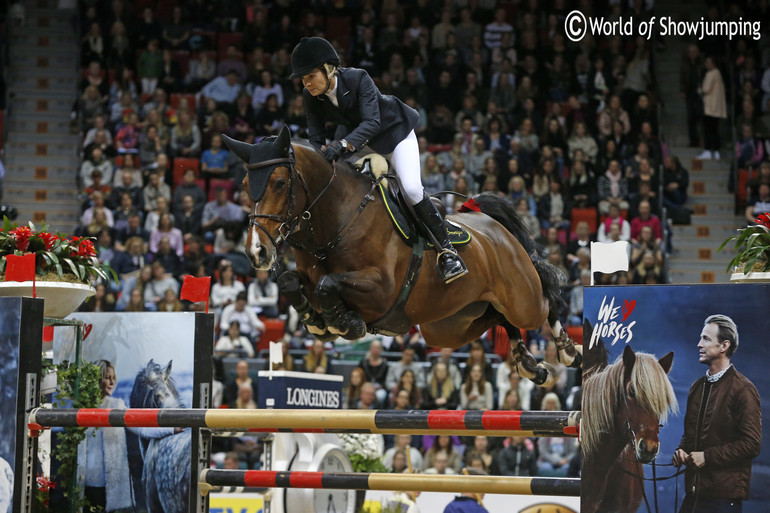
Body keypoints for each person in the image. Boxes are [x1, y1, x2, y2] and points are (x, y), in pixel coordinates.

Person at [291, 37, 466, 283]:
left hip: (394, 135)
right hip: (358, 143)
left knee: (412, 189)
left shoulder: (358, 78)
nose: (307, 83)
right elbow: (316, 137)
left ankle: (448, 252)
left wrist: (341, 145)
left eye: (310, 76)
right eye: (303, 79)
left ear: (328, 69)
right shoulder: (311, 96)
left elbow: (372, 122)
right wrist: (318, 158)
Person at [673, 314, 762, 513]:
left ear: (724, 346)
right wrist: (681, 451)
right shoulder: (697, 387)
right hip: (693, 497)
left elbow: (752, 444)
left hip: (722, 501)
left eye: (705, 339)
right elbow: (689, 435)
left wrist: (707, 457)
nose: (698, 344)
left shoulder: (743, 389)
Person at [77, 360, 134, 511]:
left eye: (113, 378)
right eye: (107, 377)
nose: (111, 382)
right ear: (97, 378)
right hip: (85, 484)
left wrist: (169, 428)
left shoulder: (117, 405)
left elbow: (140, 426)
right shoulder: (83, 407)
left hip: (109, 485)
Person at [696, 56, 727, 160]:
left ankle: (708, 150)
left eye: (708, 62)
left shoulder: (711, 73)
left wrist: (699, 90)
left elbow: (706, 89)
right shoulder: (718, 74)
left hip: (710, 107)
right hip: (716, 107)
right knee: (714, 129)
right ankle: (716, 151)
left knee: (708, 129)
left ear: (713, 64)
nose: (706, 64)